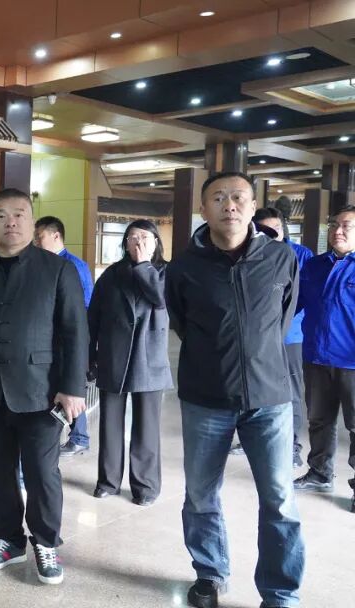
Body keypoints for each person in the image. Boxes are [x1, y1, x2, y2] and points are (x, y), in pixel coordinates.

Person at [165, 171, 304, 608]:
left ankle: (280, 593)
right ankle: (210, 572)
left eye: (239, 197)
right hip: (205, 398)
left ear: (252, 205)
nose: (230, 205)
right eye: (219, 198)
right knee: (201, 494)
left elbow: (282, 319)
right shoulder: (184, 267)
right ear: (203, 209)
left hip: (270, 398)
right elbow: (181, 322)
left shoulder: (281, 257)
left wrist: (257, 359)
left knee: (279, 499)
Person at [0, 188, 88, 586]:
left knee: (42, 472)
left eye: (19, 215)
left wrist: (72, 387)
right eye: (1, 216)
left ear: (30, 220)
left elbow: (75, 332)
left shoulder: (57, 270)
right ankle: (9, 540)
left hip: (42, 392)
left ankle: (46, 542)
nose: (10, 222)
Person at [88, 220, 172, 506]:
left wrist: (144, 264)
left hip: (150, 356)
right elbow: (93, 316)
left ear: (156, 242)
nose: (138, 242)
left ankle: (145, 487)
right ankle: (108, 481)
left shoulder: (165, 272)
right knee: (110, 424)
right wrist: (90, 355)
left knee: (147, 426)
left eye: (145, 237)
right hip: (114, 354)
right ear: (124, 243)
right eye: (132, 237)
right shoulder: (111, 274)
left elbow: (160, 300)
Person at [231, 207, 313, 467]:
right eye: (264, 229)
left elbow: (300, 296)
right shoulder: (247, 253)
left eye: (275, 228)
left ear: (283, 228)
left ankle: (293, 447)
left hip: (289, 338)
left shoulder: (300, 254)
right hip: (255, 340)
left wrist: (278, 322)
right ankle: (249, 439)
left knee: (290, 391)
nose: (271, 233)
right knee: (250, 388)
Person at [293, 205, 355, 513]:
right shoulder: (314, 266)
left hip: (352, 362)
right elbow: (293, 304)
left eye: (346, 226)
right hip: (316, 357)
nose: (337, 231)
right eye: (333, 225)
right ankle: (319, 473)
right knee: (319, 420)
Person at [34, 216, 94, 457]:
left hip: (67, 339)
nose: (36, 242)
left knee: (70, 385)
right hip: (48, 338)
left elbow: (85, 306)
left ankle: (79, 437)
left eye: (40, 237)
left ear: (56, 235)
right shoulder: (42, 264)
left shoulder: (73, 265)